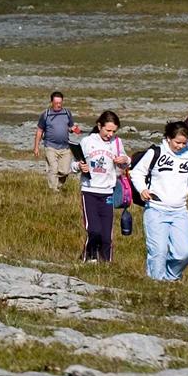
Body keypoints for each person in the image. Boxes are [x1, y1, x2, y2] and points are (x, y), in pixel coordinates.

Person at [130, 121, 188, 281]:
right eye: (177, 142)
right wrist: (142, 189)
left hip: (179, 212)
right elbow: (137, 172)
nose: (180, 146)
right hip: (155, 209)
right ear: (168, 138)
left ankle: (171, 278)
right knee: (158, 251)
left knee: (184, 252)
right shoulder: (156, 152)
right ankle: (155, 285)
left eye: (184, 143)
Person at [75, 111, 130, 262]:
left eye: (114, 131)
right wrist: (79, 166)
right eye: (108, 130)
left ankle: (106, 263)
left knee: (106, 234)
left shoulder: (116, 143)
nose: (110, 134)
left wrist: (124, 159)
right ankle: (89, 257)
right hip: (89, 191)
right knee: (94, 230)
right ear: (99, 126)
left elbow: (127, 162)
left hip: (108, 193)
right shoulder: (87, 142)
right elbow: (74, 163)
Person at [33, 91, 80, 192]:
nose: (58, 105)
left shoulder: (67, 113)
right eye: (56, 103)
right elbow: (39, 131)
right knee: (53, 168)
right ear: (51, 102)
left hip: (65, 147)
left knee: (65, 171)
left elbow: (71, 126)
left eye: (60, 103)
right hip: (50, 146)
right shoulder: (46, 115)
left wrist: (73, 129)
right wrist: (36, 147)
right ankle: (53, 191)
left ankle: (57, 185)